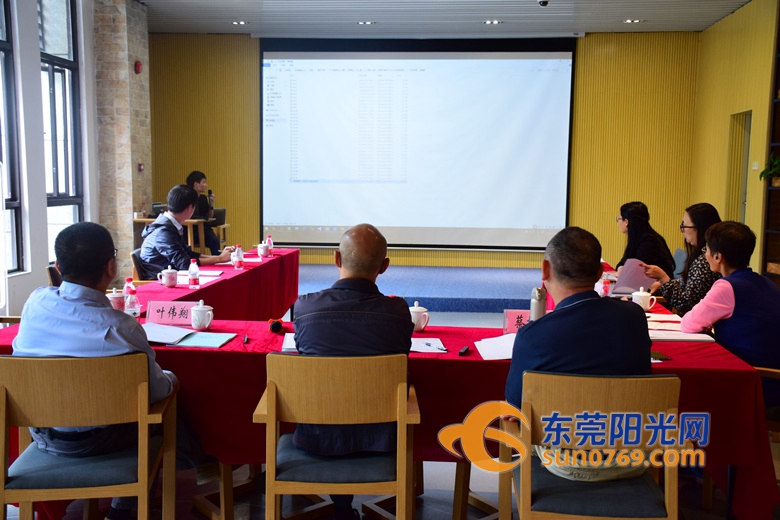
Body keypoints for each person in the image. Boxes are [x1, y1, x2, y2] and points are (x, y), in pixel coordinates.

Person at [12, 222, 178, 520]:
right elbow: (156, 391)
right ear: (111, 267)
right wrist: (171, 379)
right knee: (161, 413)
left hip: (44, 437)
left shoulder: (35, 303)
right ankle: (123, 510)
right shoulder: (121, 327)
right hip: (104, 440)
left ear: (58, 267)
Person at [504, 226, 652, 481]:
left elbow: (515, 408)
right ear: (600, 272)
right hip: (632, 456)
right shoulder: (634, 317)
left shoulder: (534, 336)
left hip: (565, 462)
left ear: (545, 269)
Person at [292, 223, 414, 520]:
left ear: (336, 259)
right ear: (384, 266)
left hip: (316, 439)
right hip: (380, 440)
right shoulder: (398, 313)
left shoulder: (305, 308)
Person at [681, 221, 780, 406]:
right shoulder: (767, 282)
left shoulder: (726, 287)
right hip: (772, 379)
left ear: (718, 257)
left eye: (706, 250)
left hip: (751, 380)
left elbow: (688, 324)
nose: (705, 255)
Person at [642, 202, 722, 315]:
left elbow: (687, 304)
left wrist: (663, 278)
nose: (682, 230)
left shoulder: (705, 261)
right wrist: (662, 282)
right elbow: (689, 283)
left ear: (700, 228)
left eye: (685, 226)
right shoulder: (705, 256)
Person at [139, 185, 234, 279]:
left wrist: (219, 257)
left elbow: (188, 254)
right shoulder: (163, 231)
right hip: (161, 280)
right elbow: (184, 263)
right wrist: (219, 259)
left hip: (172, 275)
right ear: (190, 207)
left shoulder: (170, 224)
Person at [615, 201, 675, 280]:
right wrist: (620, 268)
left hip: (658, 286)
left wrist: (623, 270)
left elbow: (637, 274)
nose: (618, 222)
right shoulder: (637, 238)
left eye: (618, 219)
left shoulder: (649, 243)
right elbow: (622, 263)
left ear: (626, 222)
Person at [186, 170, 221, 255]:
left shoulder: (203, 198)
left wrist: (211, 204)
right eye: (204, 182)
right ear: (196, 184)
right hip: (188, 229)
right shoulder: (186, 197)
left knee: (213, 240)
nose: (206, 185)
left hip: (204, 229)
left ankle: (218, 259)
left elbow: (209, 216)